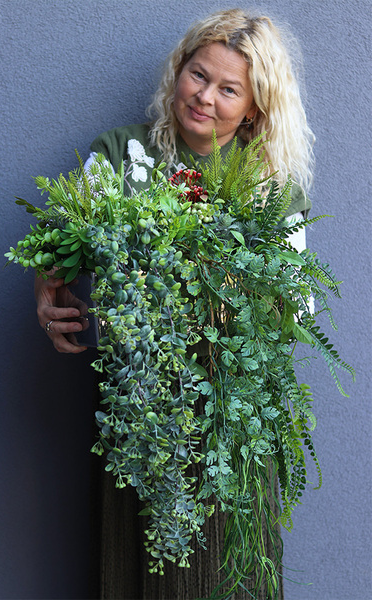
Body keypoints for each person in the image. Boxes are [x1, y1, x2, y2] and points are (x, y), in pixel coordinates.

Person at [35, 8, 315, 599]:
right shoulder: (120, 157)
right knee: (136, 575)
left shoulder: (270, 190)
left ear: (254, 108)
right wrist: (46, 290)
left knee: (224, 580)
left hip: (225, 429)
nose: (205, 96)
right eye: (197, 74)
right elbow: (59, 240)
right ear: (178, 71)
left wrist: (238, 300)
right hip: (141, 421)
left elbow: (299, 308)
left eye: (228, 88)